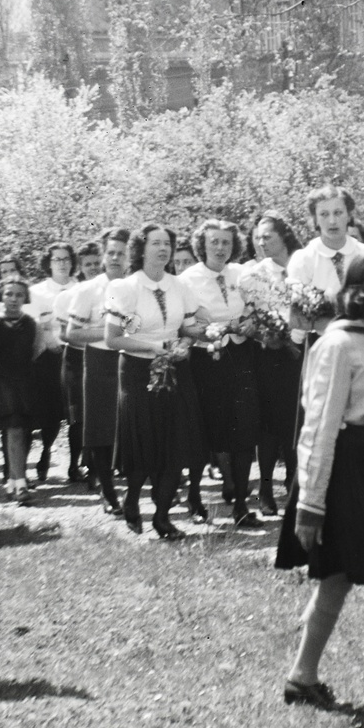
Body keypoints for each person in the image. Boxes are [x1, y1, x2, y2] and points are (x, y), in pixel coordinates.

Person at [275, 249, 364, 728]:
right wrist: (311, 504)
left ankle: (301, 677)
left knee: (336, 578)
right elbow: (318, 427)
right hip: (338, 473)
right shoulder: (338, 345)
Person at [103, 223, 210, 540]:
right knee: (145, 443)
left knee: (177, 443)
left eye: (167, 244)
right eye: (155, 244)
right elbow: (113, 339)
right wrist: (154, 348)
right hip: (138, 373)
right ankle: (132, 498)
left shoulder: (180, 286)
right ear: (141, 248)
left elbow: (189, 327)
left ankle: (162, 517)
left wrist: (194, 339)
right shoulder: (125, 288)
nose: (163, 249)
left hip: (176, 370)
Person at [180, 218, 264, 527]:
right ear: (202, 244)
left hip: (240, 358)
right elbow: (184, 324)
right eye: (214, 241)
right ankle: (196, 499)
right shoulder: (188, 279)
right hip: (204, 363)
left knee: (243, 430)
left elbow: (256, 310)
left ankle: (241, 505)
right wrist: (211, 331)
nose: (220, 247)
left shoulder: (242, 274)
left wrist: (249, 324)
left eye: (226, 242)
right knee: (204, 432)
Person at [242, 211, 302, 516]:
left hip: (301, 352)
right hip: (268, 355)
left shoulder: (303, 265)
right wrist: (269, 334)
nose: (262, 242)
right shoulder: (253, 274)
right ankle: (265, 487)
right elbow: (249, 316)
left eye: (268, 236)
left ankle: (294, 484)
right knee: (268, 425)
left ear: (284, 236)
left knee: (297, 419)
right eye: (258, 237)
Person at [67, 228, 129, 515]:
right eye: (111, 252)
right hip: (100, 363)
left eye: (122, 252)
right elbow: (71, 334)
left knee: (132, 426)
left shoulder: (137, 285)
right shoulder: (88, 289)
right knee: (102, 430)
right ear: (103, 256)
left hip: (133, 360)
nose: (116, 258)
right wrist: (109, 332)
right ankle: (108, 491)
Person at [0, 277, 37, 505]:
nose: (13, 299)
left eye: (19, 294)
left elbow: (36, 350)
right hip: (1, 383)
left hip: (24, 381)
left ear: (26, 298)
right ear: (1, 296)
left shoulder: (31, 323)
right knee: (14, 430)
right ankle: (21, 484)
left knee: (20, 431)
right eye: (9, 294)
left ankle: (13, 481)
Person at [285, 184, 364, 342]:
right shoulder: (304, 259)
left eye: (338, 213)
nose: (332, 221)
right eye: (324, 214)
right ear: (315, 220)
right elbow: (297, 324)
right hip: (322, 343)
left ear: (349, 216)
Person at [27, 241, 77, 483]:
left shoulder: (81, 287)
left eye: (66, 258)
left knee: (76, 412)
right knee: (50, 411)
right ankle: (45, 451)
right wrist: (48, 340)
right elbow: (33, 325)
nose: (62, 263)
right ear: (48, 263)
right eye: (56, 259)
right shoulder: (37, 291)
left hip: (76, 354)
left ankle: (76, 465)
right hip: (49, 357)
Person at [56, 239, 101, 485]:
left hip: (105, 357)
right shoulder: (70, 295)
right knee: (79, 417)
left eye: (97, 263)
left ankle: (96, 466)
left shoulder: (111, 290)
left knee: (102, 414)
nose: (93, 268)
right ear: (80, 266)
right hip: (76, 357)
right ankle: (75, 464)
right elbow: (64, 333)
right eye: (88, 264)